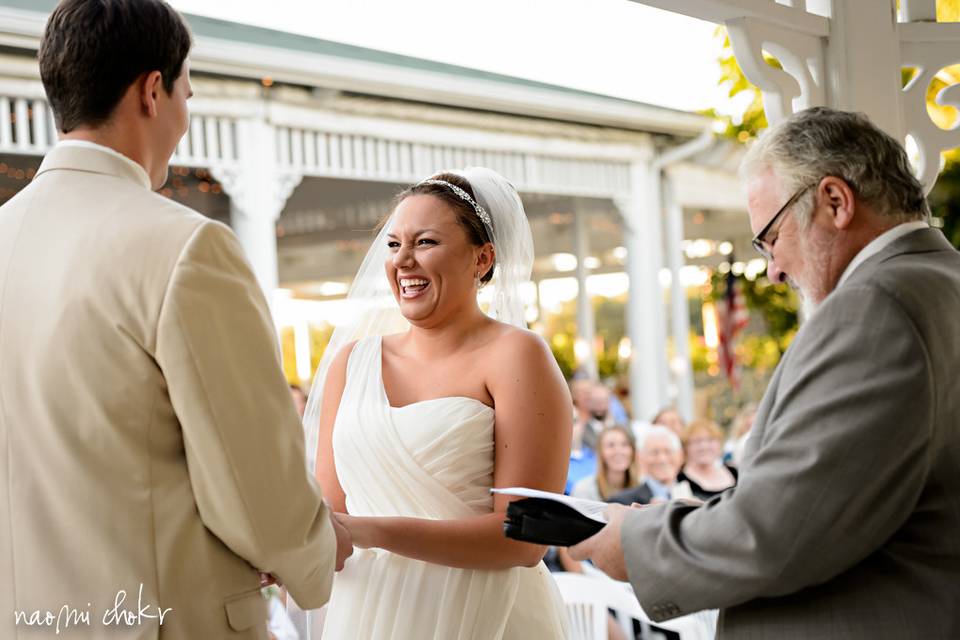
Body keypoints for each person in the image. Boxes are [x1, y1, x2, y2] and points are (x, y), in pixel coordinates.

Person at [0, 1, 350, 637]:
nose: (186, 117)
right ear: (152, 91)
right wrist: (318, 548)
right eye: (188, 92)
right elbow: (254, 485)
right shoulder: (187, 248)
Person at [570, 107, 960, 638]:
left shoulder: (875, 306)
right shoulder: (944, 282)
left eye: (771, 237)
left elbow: (780, 531)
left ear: (835, 201)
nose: (773, 269)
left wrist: (635, 539)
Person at [305, 168, 571, 638]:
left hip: (481, 613)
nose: (402, 261)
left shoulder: (517, 355)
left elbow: (526, 538)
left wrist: (369, 532)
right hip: (370, 612)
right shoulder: (352, 362)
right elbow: (331, 512)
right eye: (393, 245)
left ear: (482, 258)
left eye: (425, 242)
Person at [608, 426, 691, 505]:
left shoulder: (699, 501)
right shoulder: (621, 503)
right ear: (639, 457)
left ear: (680, 456)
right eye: (654, 452)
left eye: (668, 451)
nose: (662, 459)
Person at [571, 425, 640, 501]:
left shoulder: (643, 486)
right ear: (600, 452)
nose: (618, 451)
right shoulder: (584, 490)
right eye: (611, 445)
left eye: (624, 444)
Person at [678, 419, 737, 501]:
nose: (704, 446)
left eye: (710, 440)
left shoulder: (735, 472)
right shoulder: (679, 480)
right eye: (697, 441)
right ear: (686, 447)